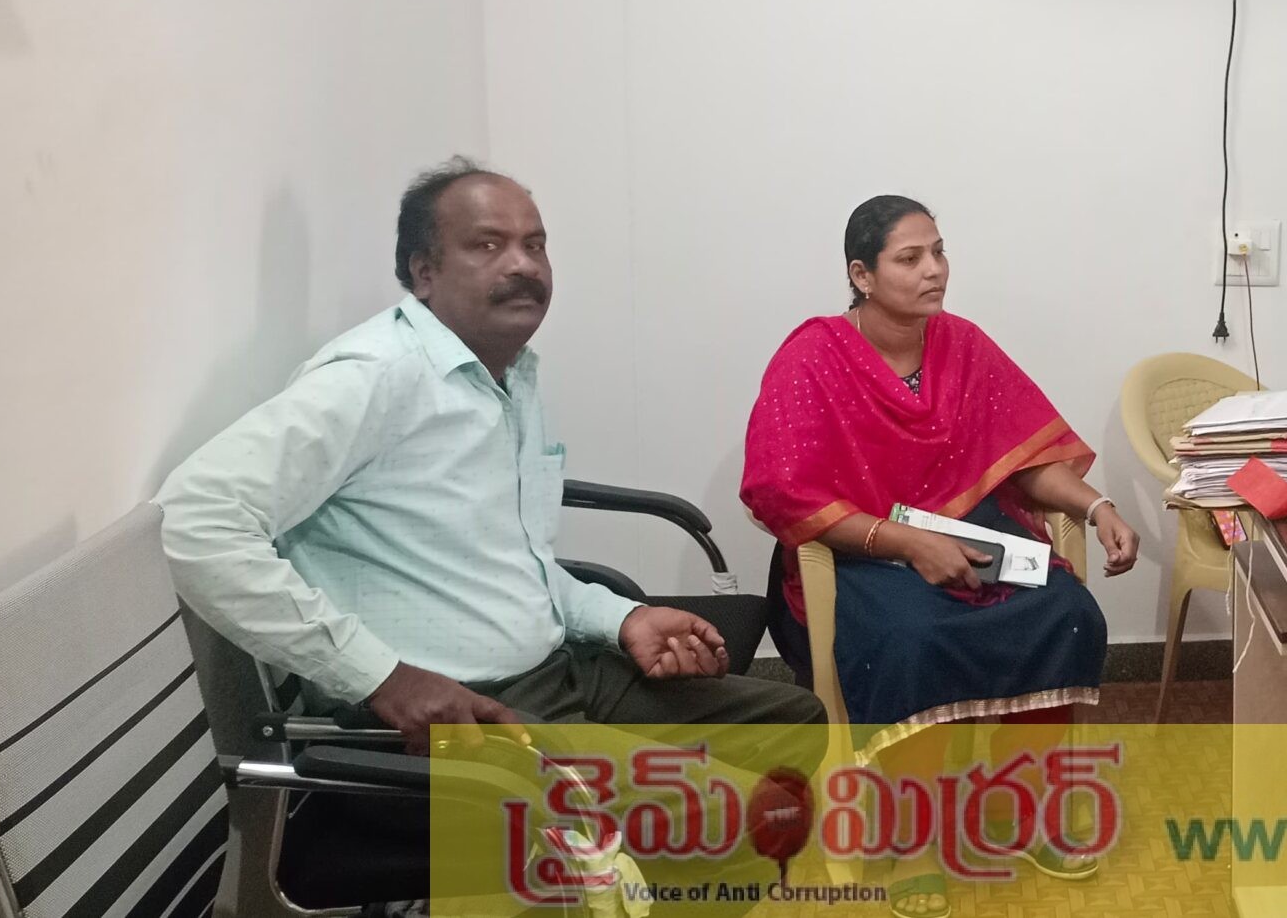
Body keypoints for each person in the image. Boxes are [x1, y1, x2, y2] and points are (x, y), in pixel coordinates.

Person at [161, 158, 824, 759]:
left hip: (556, 671)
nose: (523, 264)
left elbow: (510, 564)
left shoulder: (509, 375)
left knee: (797, 722)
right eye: (487, 244)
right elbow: (193, 518)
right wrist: (382, 676)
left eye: (534, 244)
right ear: (425, 271)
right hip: (461, 714)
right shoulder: (376, 376)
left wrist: (622, 617)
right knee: (721, 812)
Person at [740, 195, 1140, 915]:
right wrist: (906, 542)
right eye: (910, 257)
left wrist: (1097, 506)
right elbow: (783, 491)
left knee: (1068, 613)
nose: (935, 270)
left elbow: (1026, 461)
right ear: (861, 275)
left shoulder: (964, 346)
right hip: (863, 551)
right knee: (914, 639)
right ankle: (913, 840)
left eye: (939, 251)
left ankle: (1021, 811)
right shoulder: (813, 357)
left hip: (969, 535)